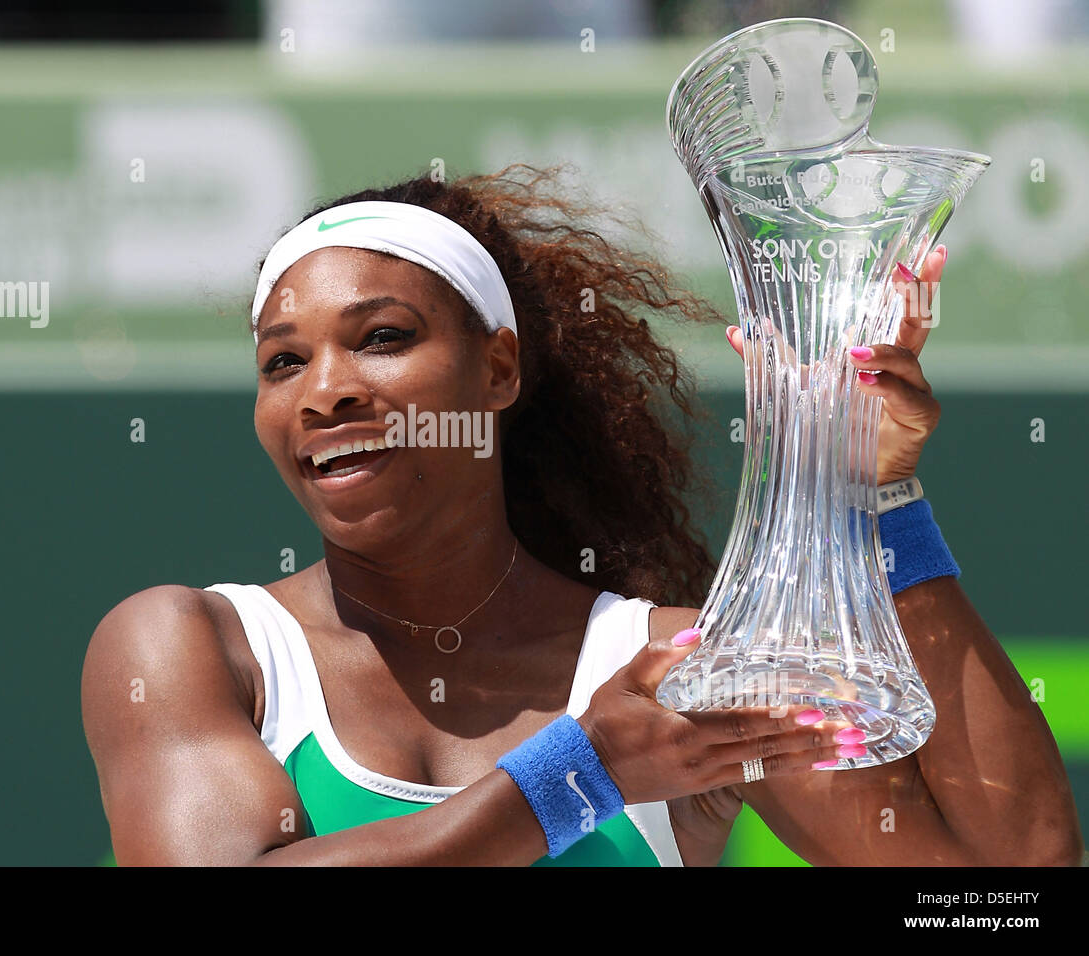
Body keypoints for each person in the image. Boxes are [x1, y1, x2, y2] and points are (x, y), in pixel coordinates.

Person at [81, 164, 1083, 866]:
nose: (324, 390)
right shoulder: (189, 645)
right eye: (283, 361)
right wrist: (581, 771)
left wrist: (873, 497)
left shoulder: (674, 669)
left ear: (499, 366)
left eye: (381, 337)